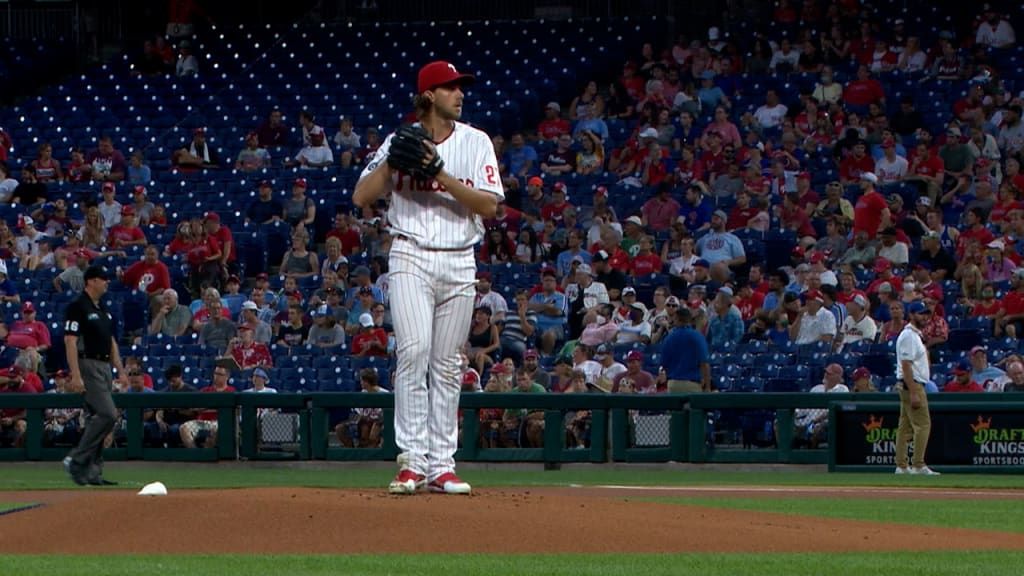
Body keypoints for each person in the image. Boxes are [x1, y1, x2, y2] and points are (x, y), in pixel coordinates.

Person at [352, 61, 502, 495]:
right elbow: (362, 196)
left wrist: (437, 172)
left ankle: (442, 465)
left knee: (448, 364)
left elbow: (489, 206)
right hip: (411, 254)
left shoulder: (476, 141)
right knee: (414, 351)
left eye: (460, 87)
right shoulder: (399, 140)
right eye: (451, 87)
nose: (460, 94)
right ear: (429, 95)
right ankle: (412, 463)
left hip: (459, 259)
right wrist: (390, 164)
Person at [62, 265, 124, 486]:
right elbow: (70, 340)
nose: (107, 282)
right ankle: (77, 459)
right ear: (90, 281)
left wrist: (121, 371)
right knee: (108, 414)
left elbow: (112, 342)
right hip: (87, 363)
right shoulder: (78, 306)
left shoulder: (102, 309)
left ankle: (92, 472)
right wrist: (75, 375)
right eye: (103, 278)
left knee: (96, 418)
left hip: (104, 365)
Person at [894, 301, 940, 476]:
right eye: (921, 313)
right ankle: (918, 465)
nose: (925, 317)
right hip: (912, 384)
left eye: (926, 314)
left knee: (905, 426)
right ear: (911, 315)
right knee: (923, 424)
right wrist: (913, 391)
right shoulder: (908, 336)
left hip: (910, 384)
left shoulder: (915, 335)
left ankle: (902, 466)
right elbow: (906, 365)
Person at [660, 306, 710, 393]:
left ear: (676, 319)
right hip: (692, 385)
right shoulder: (697, 336)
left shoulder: (669, 338)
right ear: (689, 320)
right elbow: (704, 363)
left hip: (673, 384)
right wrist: (708, 387)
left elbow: (664, 365)